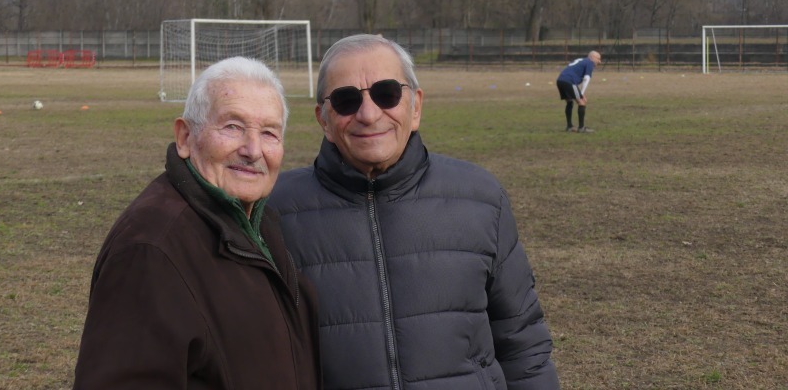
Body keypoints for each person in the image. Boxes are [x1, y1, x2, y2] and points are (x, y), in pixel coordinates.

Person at [269, 34, 560, 390]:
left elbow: (522, 343)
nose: (368, 114)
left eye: (386, 93)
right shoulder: (275, 211)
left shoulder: (481, 198)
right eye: (346, 100)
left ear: (416, 106)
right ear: (324, 120)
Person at [73, 57, 322, 389]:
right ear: (185, 137)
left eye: (269, 133)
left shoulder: (258, 222)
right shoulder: (150, 250)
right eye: (232, 126)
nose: (253, 150)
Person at [556, 50, 602, 133]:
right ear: (592, 57)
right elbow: (586, 78)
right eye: (598, 59)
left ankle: (569, 126)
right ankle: (581, 128)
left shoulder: (581, 60)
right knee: (582, 102)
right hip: (569, 81)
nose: (599, 62)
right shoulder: (589, 62)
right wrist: (582, 94)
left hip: (560, 80)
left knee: (569, 101)